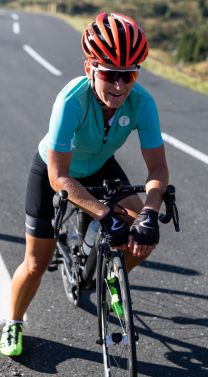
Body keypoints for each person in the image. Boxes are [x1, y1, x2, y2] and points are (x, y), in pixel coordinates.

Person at [0, 12, 168, 357]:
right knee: (36, 262)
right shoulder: (70, 101)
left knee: (141, 233)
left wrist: (150, 212)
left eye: (129, 74)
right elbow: (59, 177)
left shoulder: (142, 103)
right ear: (90, 68)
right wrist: (105, 215)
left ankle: (110, 278)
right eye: (110, 74)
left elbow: (158, 168)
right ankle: (13, 322)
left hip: (100, 166)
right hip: (55, 171)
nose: (119, 86)